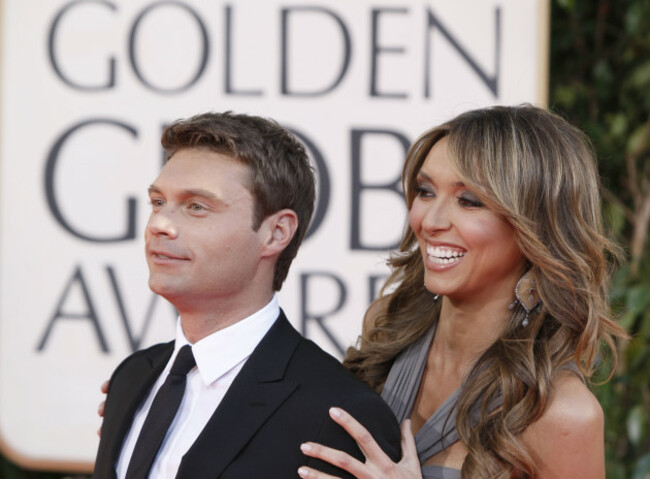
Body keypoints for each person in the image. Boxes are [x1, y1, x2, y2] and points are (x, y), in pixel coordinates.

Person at [297, 105, 626, 478]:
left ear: (536, 224)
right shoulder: (388, 327)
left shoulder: (562, 414)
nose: (431, 221)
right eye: (425, 191)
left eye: (468, 201)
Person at [93, 111, 401, 479]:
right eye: (158, 202)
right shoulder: (131, 379)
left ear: (275, 233)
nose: (159, 224)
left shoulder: (338, 412)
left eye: (197, 207)